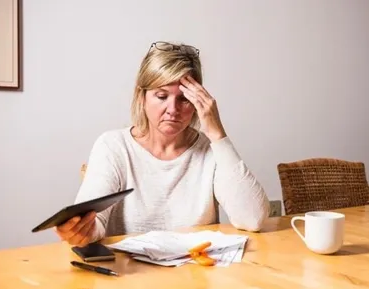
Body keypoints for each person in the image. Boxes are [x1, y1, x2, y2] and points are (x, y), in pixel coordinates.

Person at [55, 41, 270, 247]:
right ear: (142, 97)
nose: (173, 109)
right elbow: (94, 223)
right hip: (132, 278)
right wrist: (81, 231)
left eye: (184, 99)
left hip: (196, 277)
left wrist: (217, 134)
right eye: (161, 96)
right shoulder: (113, 146)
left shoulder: (210, 150)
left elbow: (253, 219)